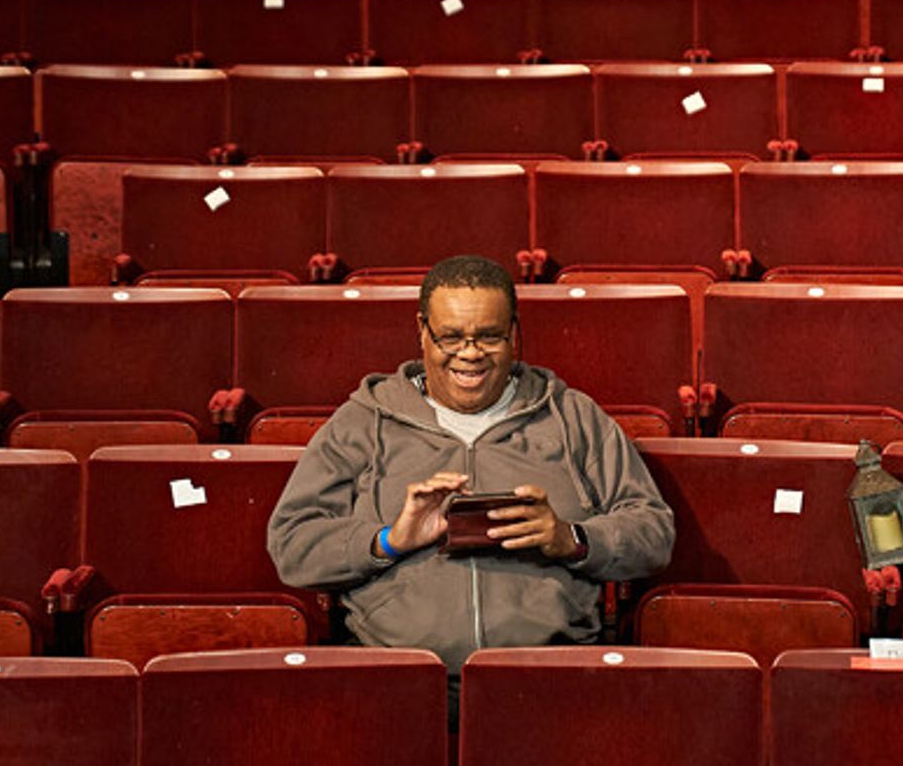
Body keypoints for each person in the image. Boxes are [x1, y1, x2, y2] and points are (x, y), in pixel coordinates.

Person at [267, 254, 675, 681]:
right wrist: (388, 541)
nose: (470, 354)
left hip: (548, 674)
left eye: (489, 337)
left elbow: (653, 530)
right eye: (451, 338)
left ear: (515, 334)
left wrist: (571, 539)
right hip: (402, 676)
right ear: (421, 331)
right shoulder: (364, 421)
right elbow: (292, 542)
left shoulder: (572, 417)